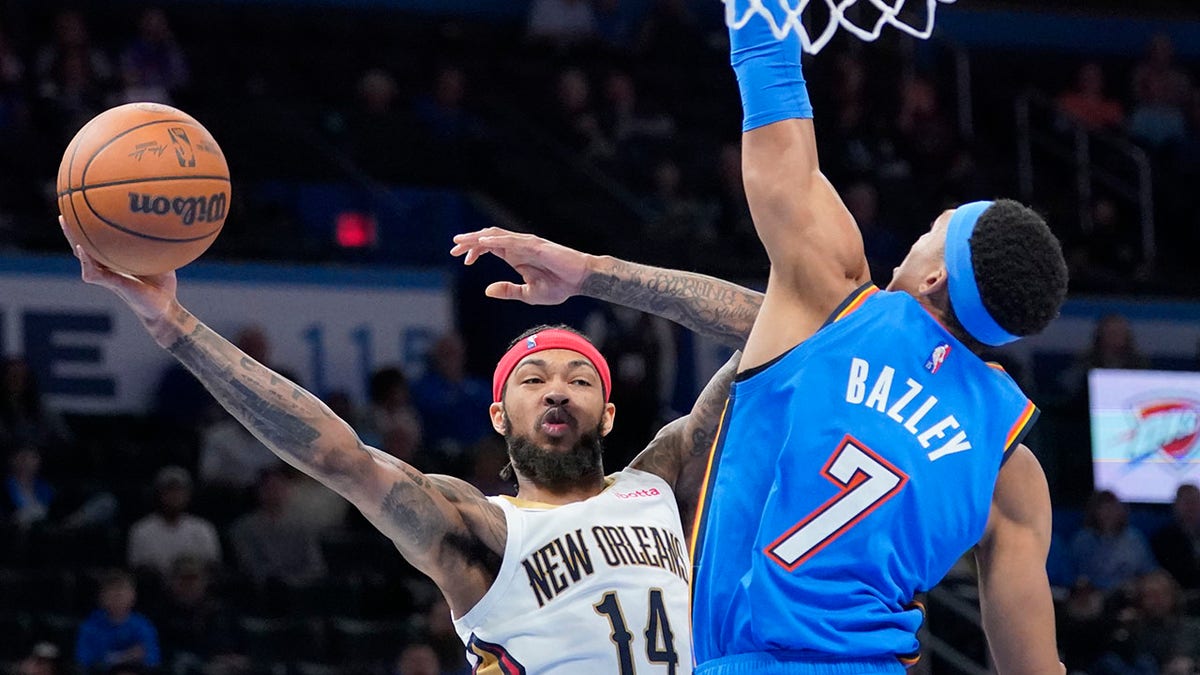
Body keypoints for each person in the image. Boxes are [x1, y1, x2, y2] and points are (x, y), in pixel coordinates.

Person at [453, 6, 1069, 671]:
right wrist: (594, 273)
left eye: (935, 226)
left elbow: (774, 103)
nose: (921, 230)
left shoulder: (837, 294)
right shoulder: (1013, 467)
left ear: (935, 273)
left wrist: (760, 11)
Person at [59, 217, 736, 674]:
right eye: (534, 378)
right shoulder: (479, 528)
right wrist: (174, 325)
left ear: (610, 413)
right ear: (498, 415)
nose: (557, 388)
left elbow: (783, 330)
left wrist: (592, 272)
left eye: (579, 377)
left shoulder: (662, 482)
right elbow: (337, 455)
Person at [75, 570, 161, 674]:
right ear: (101, 598)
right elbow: (84, 659)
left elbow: (152, 659)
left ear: (132, 597)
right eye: (112, 595)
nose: (117, 600)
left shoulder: (143, 625)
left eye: (121, 595)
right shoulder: (90, 626)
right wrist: (124, 657)